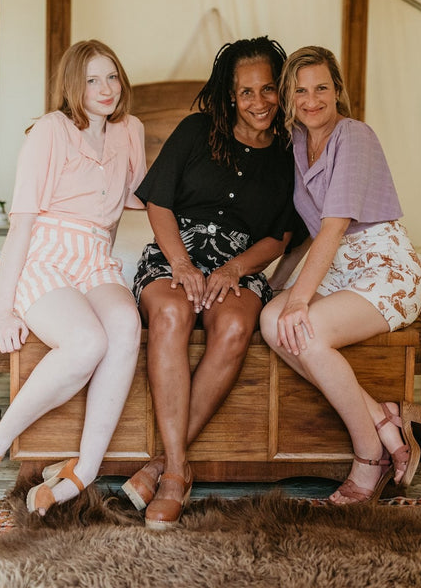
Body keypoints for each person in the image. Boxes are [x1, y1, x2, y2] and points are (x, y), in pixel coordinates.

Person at [0, 39, 146, 515]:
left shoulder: (132, 130)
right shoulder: (50, 130)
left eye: (112, 77)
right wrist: (4, 308)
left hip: (95, 256)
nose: (105, 89)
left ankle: (86, 466)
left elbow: (134, 201)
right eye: (91, 80)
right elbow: (21, 224)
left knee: (126, 326)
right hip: (49, 253)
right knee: (86, 343)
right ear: (71, 86)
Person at [121, 37, 297, 530]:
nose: (259, 102)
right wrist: (181, 264)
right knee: (173, 313)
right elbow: (157, 201)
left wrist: (233, 269)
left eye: (268, 90)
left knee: (237, 328)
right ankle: (177, 474)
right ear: (228, 95)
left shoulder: (289, 152)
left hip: (238, 263)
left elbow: (279, 235)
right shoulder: (197, 130)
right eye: (246, 92)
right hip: (175, 254)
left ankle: (160, 464)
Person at [260, 45, 421, 506]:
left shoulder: (353, 135)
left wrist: (299, 300)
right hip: (336, 269)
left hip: (384, 268)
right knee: (270, 321)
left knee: (303, 328)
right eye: (300, 90)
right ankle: (383, 417)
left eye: (321, 88)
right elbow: (308, 238)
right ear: (289, 99)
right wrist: (275, 289)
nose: (311, 100)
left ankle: (368, 456)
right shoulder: (295, 143)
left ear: (337, 91)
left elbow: (333, 228)